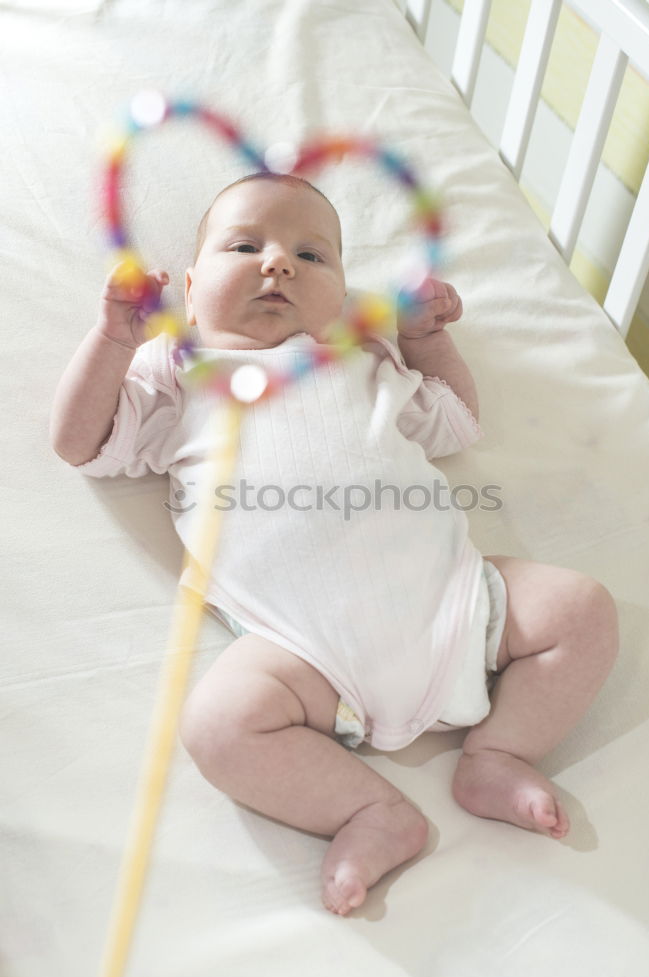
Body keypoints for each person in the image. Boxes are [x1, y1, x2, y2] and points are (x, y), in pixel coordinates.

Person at [50, 172, 619, 917]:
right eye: (245, 245)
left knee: (580, 608)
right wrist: (110, 341)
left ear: (345, 293)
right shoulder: (181, 373)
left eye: (312, 257)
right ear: (190, 290)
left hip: (454, 603)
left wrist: (425, 340)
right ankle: (371, 812)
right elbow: (78, 444)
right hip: (305, 655)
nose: (278, 263)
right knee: (219, 726)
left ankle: (498, 754)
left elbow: (454, 423)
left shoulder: (361, 359)